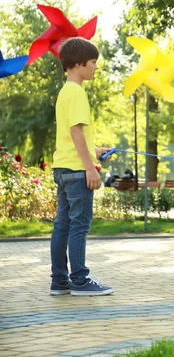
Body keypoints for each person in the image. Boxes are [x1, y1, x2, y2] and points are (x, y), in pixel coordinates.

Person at [50, 37, 114, 296]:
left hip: (63, 168)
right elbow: (76, 130)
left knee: (63, 225)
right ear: (78, 64)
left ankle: (60, 281)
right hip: (77, 171)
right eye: (93, 62)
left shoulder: (65, 92)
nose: (96, 67)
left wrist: (94, 152)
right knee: (79, 225)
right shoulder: (77, 93)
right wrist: (90, 168)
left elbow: (72, 135)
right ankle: (80, 281)